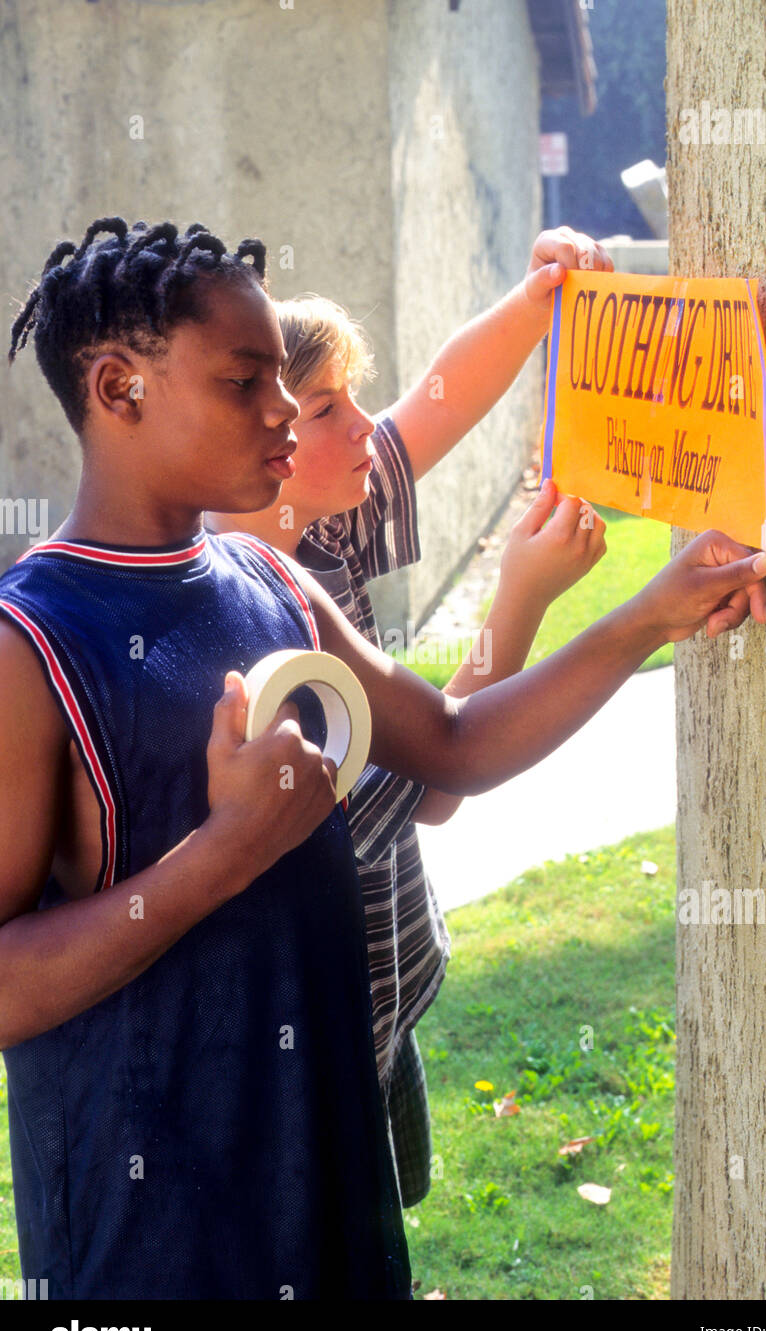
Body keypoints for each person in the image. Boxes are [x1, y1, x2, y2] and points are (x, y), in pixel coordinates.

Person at [0, 217, 766, 1300]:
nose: (280, 408)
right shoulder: (29, 645)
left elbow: (454, 742)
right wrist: (229, 850)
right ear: (121, 389)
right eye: (245, 379)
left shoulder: (273, 584)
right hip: (151, 1240)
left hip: (324, 1181)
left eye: (281, 378)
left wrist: (649, 612)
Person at [206, 232, 612, 1207]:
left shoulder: (316, 510)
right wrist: (518, 596)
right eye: (328, 409)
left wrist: (536, 297)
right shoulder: (261, 643)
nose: (364, 431)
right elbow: (437, 781)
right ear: (260, 435)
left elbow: (437, 399)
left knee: (402, 1206)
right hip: (317, 1040)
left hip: (387, 982)